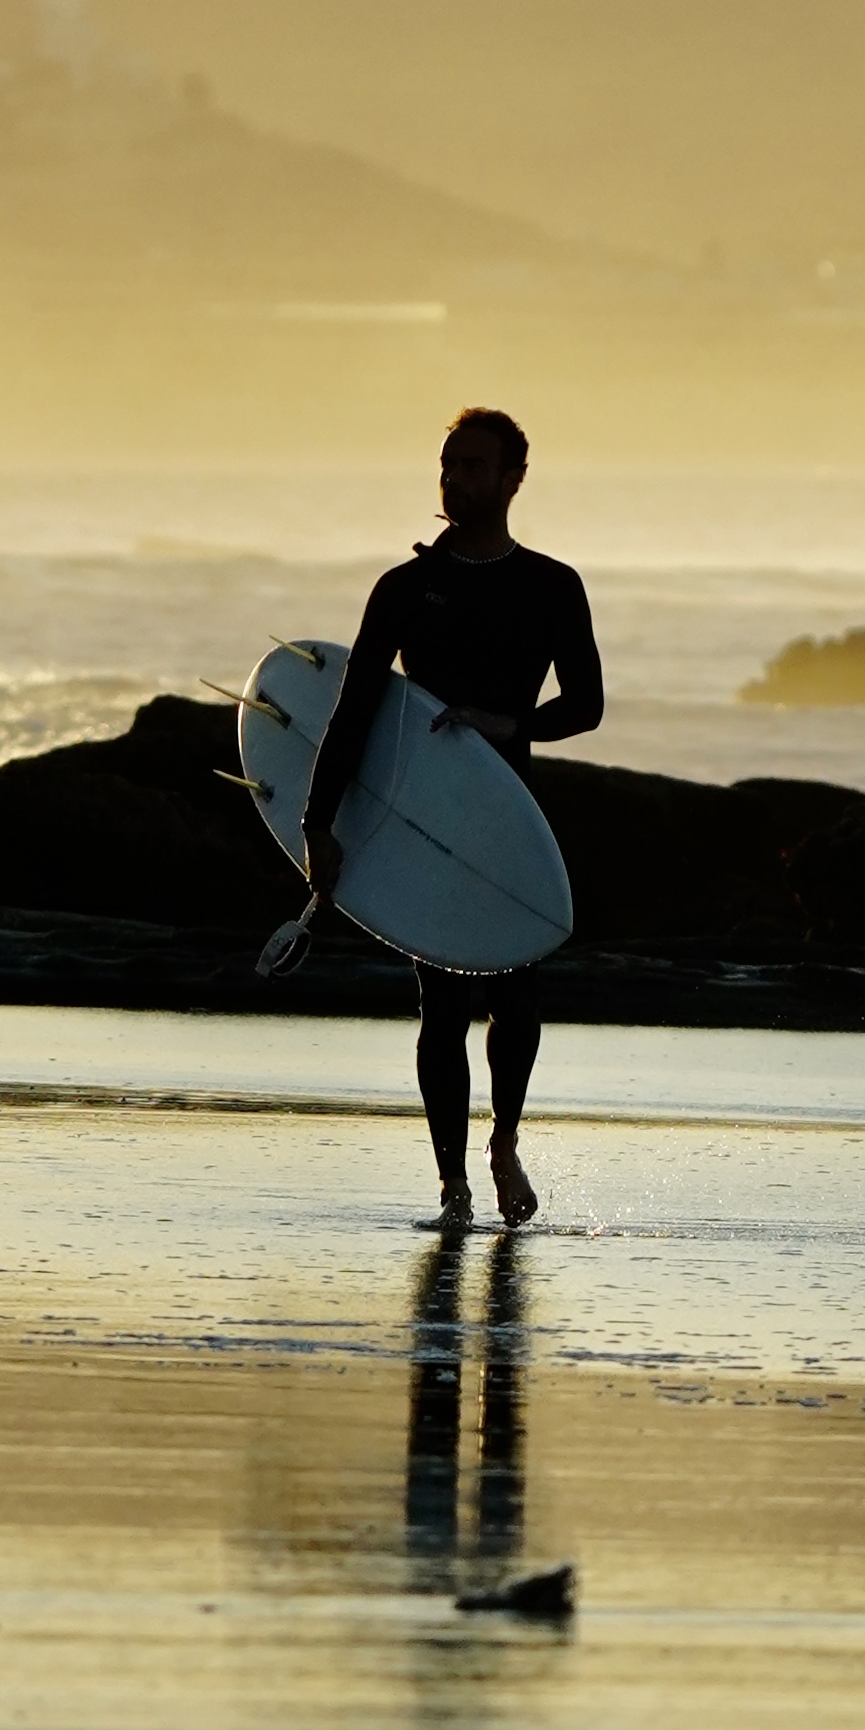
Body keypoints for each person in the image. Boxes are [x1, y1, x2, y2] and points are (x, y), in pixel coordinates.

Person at [305, 405, 602, 1231]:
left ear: (514, 479)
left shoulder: (551, 586)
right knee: (440, 1002)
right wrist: (316, 823)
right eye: (449, 466)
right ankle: (453, 1187)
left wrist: (515, 724)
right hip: (421, 819)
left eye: (473, 466)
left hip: (508, 817)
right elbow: (354, 711)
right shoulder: (403, 591)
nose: (456, 480)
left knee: (518, 992)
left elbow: (587, 706)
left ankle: (504, 1142)